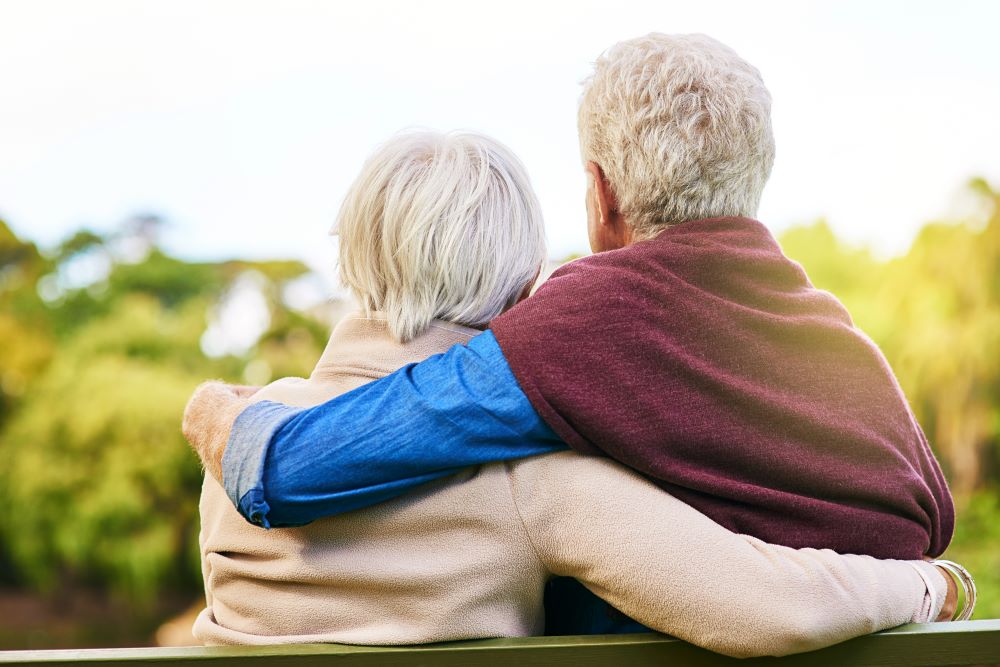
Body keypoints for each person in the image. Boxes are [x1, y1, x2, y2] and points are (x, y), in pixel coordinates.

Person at [184, 33, 960, 633]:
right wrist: (939, 579)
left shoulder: (578, 326)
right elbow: (930, 516)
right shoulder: (836, 336)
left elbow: (288, 467)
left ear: (601, 195)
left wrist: (216, 409)